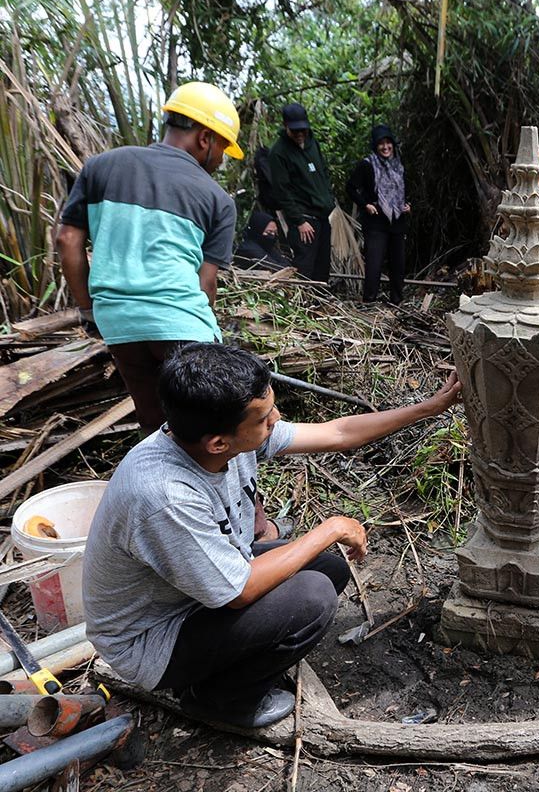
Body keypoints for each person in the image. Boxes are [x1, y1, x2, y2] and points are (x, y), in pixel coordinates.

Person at [83, 343, 461, 729]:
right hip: (153, 639)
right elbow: (238, 593)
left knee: (328, 569)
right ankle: (219, 700)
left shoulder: (216, 439)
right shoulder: (165, 496)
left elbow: (338, 432)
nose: (276, 420)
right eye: (264, 418)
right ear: (218, 442)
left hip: (190, 593)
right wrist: (329, 528)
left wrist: (427, 408)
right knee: (312, 598)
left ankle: (229, 664)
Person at [57, 81, 243, 434]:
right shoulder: (217, 198)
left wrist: (87, 309)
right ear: (204, 138)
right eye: (222, 147)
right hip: (181, 320)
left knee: (153, 419)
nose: (220, 159)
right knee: (214, 423)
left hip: (118, 322)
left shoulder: (100, 166)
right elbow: (206, 283)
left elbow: (67, 240)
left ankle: (152, 484)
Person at [267, 102, 336, 282]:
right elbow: (282, 191)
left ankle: (320, 306)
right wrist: (299, 221)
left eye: (302, 130)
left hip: (323, 217)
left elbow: (323, 173)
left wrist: (329, 198)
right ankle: (304, 306)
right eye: (294, 130)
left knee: (322, 266)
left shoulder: (313, 143)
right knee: (305, 267)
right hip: (304, 221)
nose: (299, 134)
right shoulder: (279, 152)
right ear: (285, 126)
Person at [346, 125, 411, 303]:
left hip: (397, 221)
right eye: (381, 144)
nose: (385, 147)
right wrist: (365, 204)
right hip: (376, 222)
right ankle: (369, 302)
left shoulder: (399, 164)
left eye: (388, 143)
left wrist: (407, 204)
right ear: (375, 146)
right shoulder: (367, 165)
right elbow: (350, 188)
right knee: (374, 264)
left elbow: (406, 189)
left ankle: (397, 301)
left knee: (398, 264)